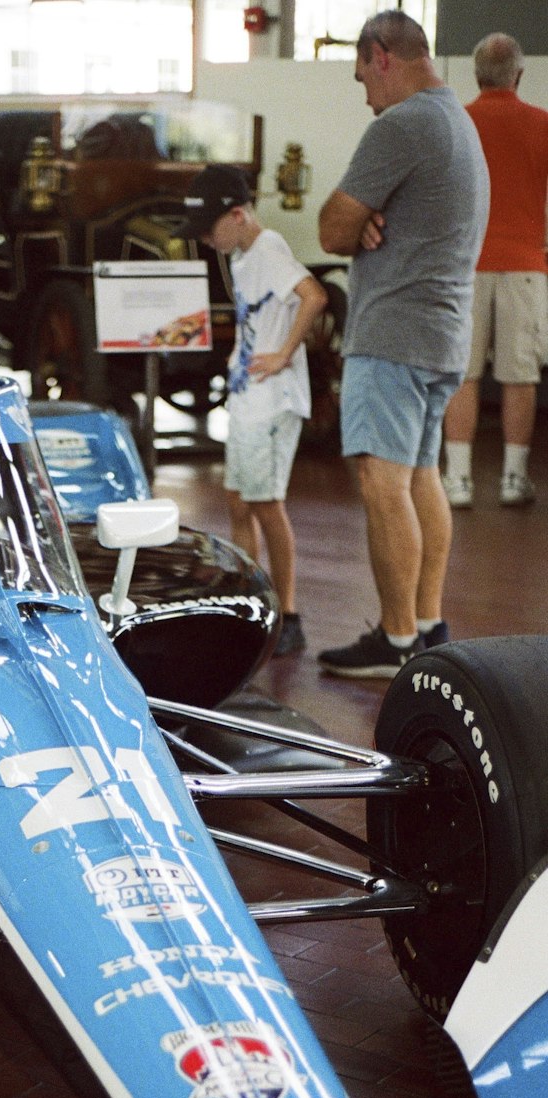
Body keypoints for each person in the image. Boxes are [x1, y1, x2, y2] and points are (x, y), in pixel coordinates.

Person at [316, 10, 489, 678]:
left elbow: (332, 227)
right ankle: (425, 624)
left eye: (364, 75)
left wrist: (355, 222)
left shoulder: (405, 123)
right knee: (420, 476)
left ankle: (393, 642)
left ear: (382, 55)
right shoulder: (455, 122)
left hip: (393, 332)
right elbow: (360, 224)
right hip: (440, 332)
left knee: (381, 478)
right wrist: (366, 221)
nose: (366, 94)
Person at [183, 164, 327, 657]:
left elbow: (315, 295)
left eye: (209, 228)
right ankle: (253, 599)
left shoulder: (268, 249)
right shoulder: (243, 257)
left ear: (239, 215)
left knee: (267, 504)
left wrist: (284, 352)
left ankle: (288, 614)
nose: (205, 240)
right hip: (250, 395)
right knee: (240, 502)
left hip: (273, 398)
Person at [442, 33, 548, 509]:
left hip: (465, 264)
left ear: (475, 73)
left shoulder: (456, 122)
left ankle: (459, 479)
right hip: (526, 263)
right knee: (519, 375)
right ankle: (512, 478)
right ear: (519, 75)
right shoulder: (542, 124)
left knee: (463, 374)